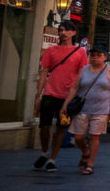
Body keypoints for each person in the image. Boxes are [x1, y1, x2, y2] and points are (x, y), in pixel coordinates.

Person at [33, 20, 88, 172]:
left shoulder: (80, 52)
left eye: (66, 30)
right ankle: (45, 152)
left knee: (60, 129)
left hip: (68, 96)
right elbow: (44, 72)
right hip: (50, 93)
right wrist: (38, 95)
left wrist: (73, 95)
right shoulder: (51, 51)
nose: (63, 33)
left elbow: (81, 76)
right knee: (44, 126)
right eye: (61, 30)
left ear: (73, 33)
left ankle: (52, 159)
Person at [60, 45, 110, 175]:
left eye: (99, 55)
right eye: (93, 55)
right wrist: (66, 104)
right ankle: (86, 152)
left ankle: (90, 163)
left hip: (101, 110)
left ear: (105, 57)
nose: (95, 58)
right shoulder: (84, 70)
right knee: (78, 137)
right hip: (83, 108)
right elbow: (75, 88)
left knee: (94, 136)